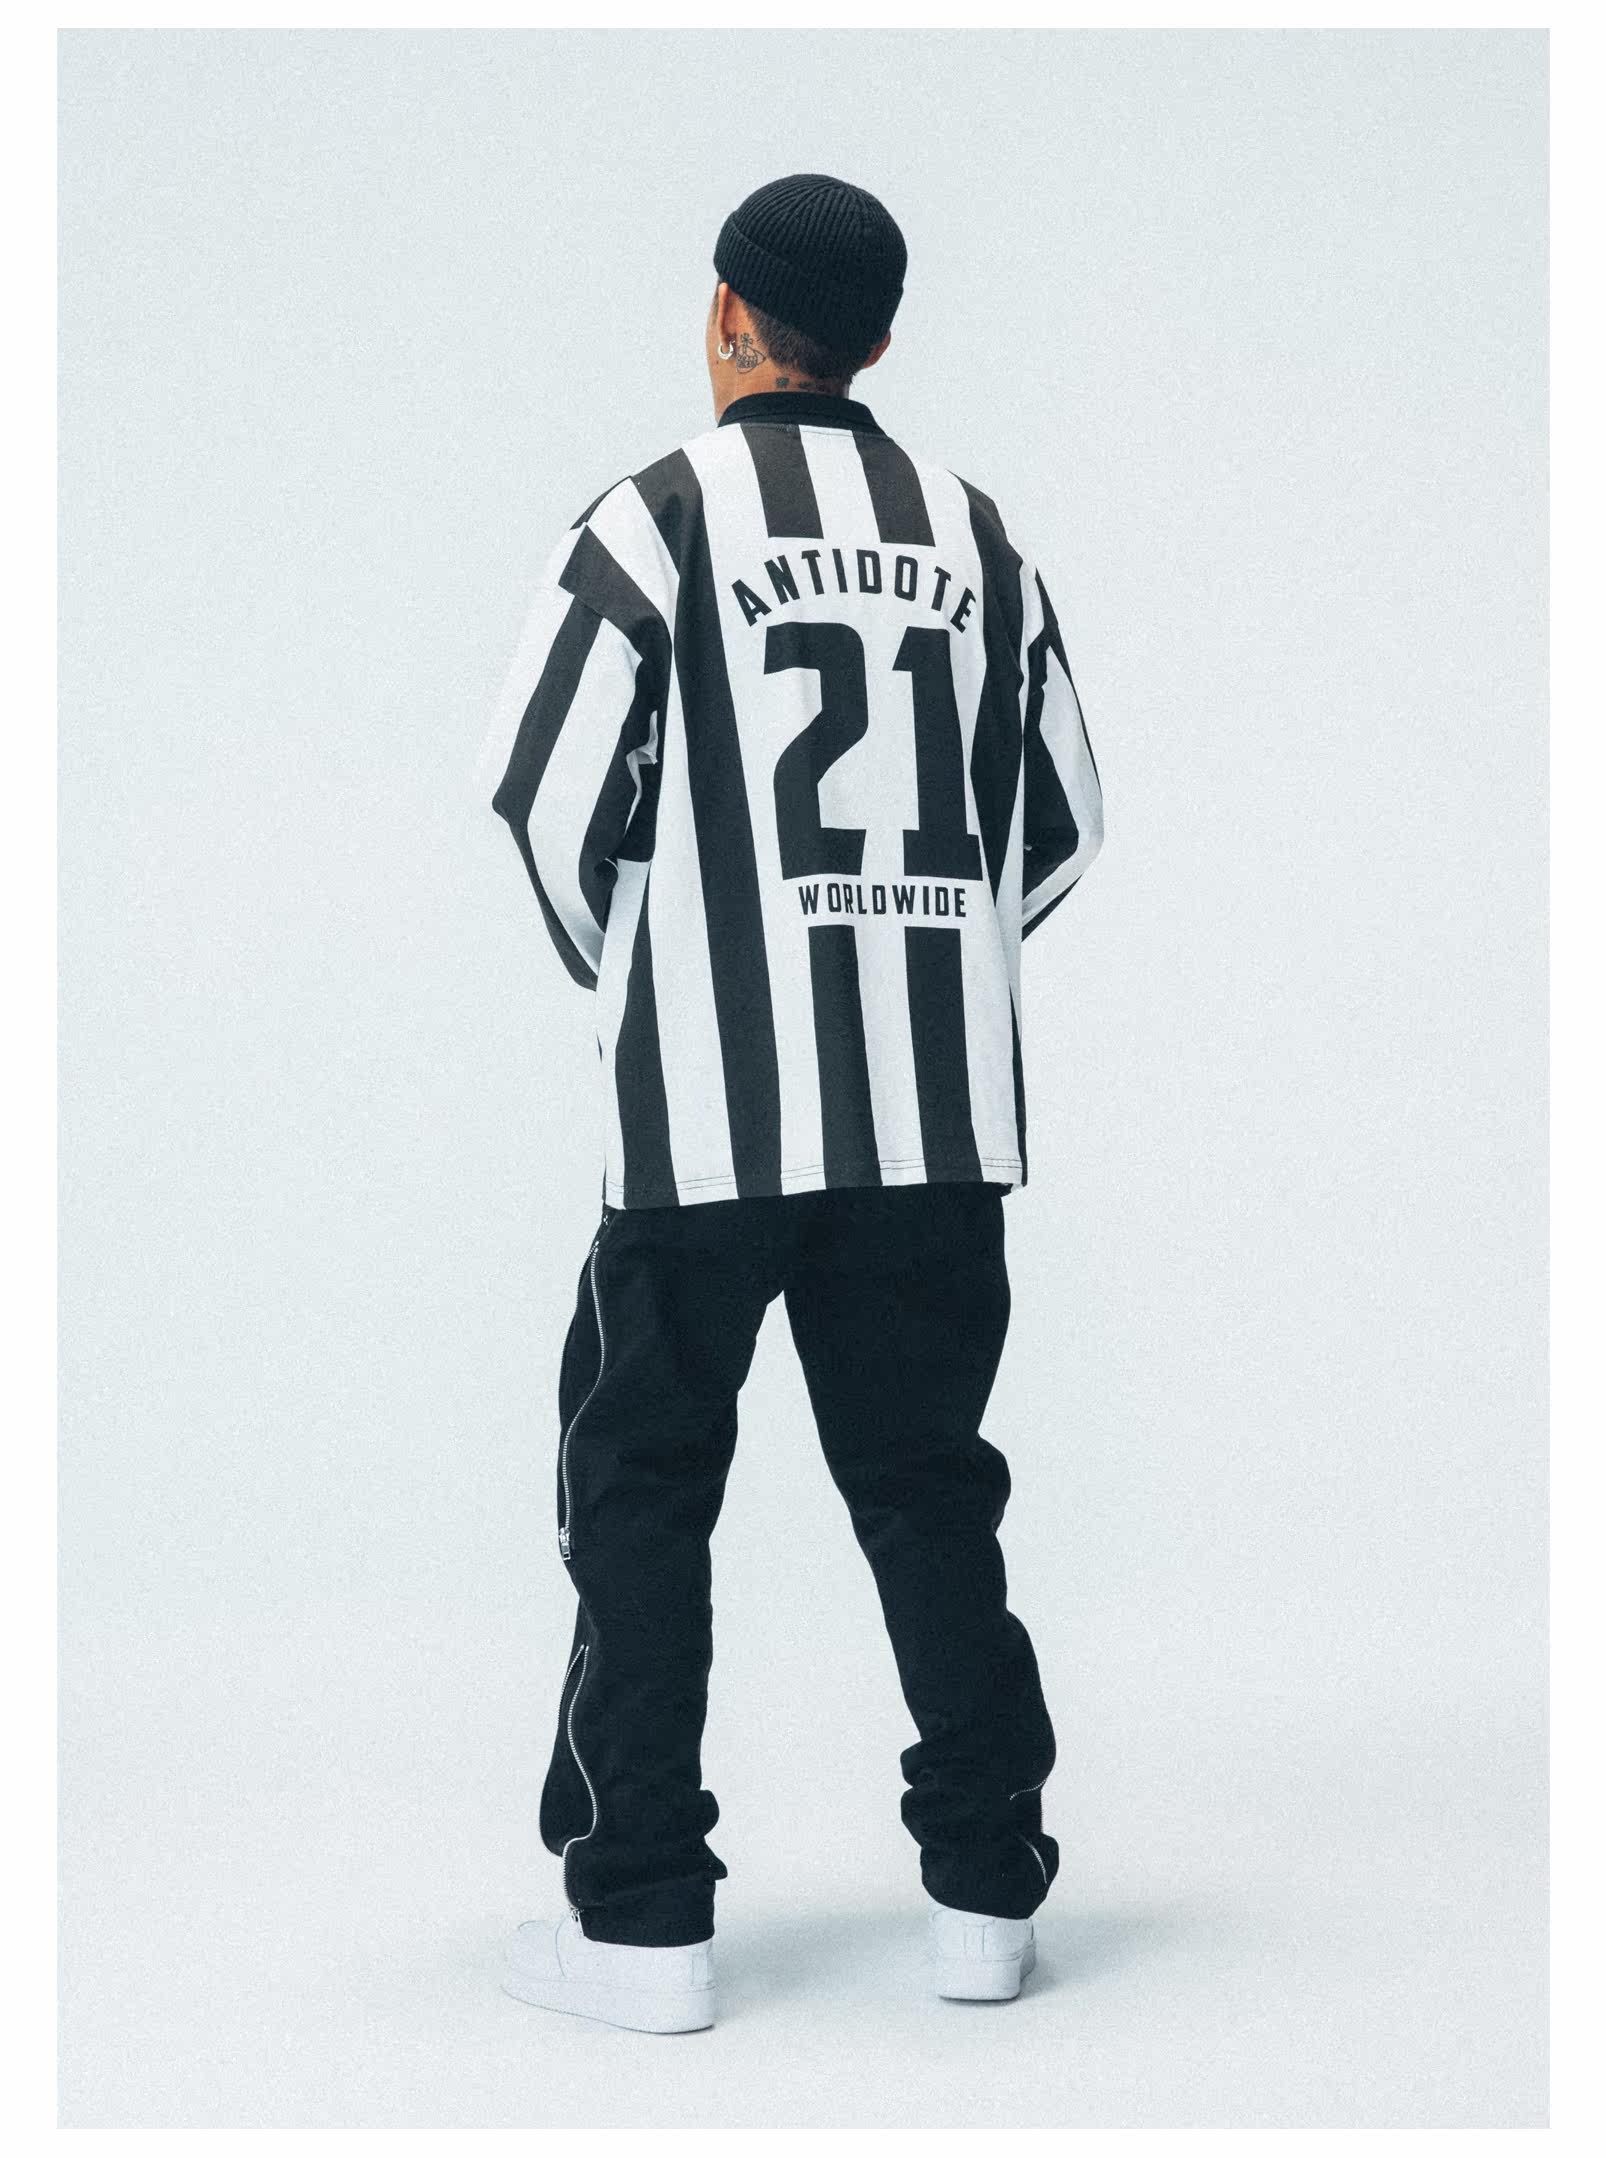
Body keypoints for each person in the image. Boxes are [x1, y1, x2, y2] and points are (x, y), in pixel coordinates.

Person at [476, 172, 1104, 2034]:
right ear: (880, 341)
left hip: (705, 1127)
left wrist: (665, 970)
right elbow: (1061, 823)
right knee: (929, 1492)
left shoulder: (655, 518)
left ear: (724, 316)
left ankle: (643, 1919)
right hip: (933, 1128)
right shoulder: (979, 538)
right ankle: (984, 1900)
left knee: (641, 1494)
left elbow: (543, 800)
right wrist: (917, 965)